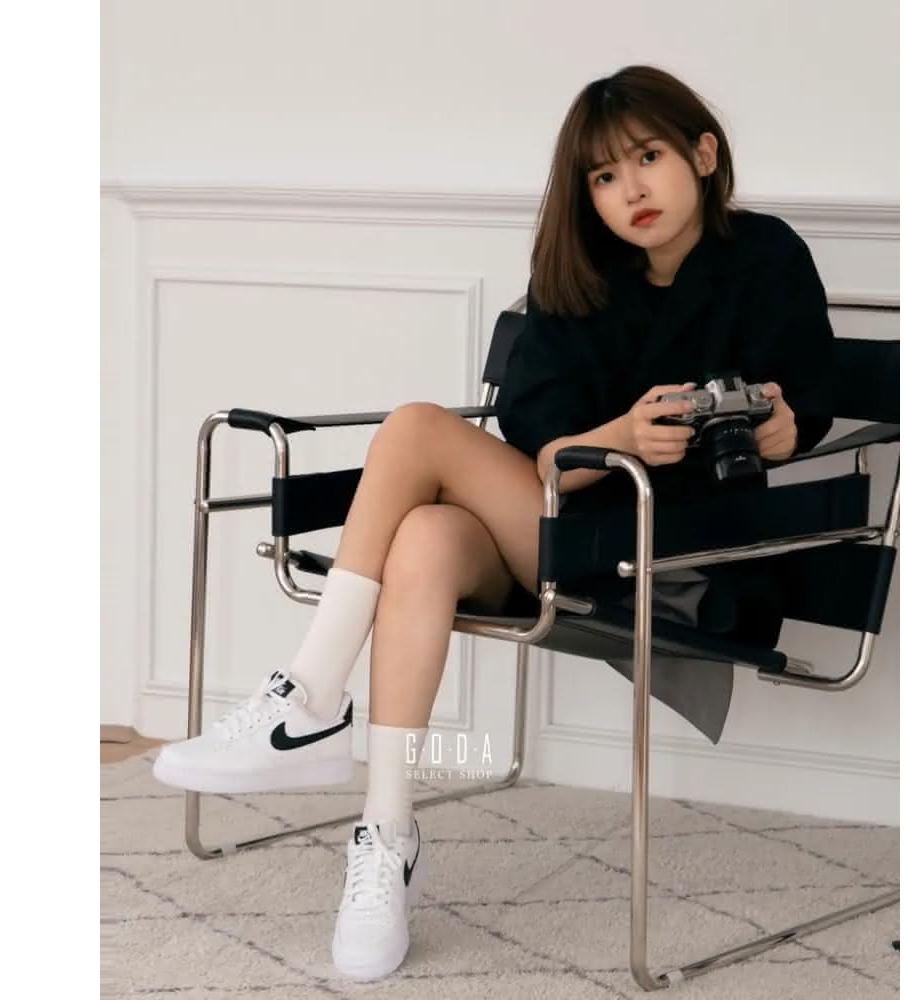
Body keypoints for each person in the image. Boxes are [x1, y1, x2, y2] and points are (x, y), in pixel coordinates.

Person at [151, 63, 834, 982]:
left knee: (415, 429)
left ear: (703, 155)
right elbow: (543, 451)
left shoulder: (768, 256)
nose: (630, 190)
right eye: (604, 175)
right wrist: (621, 436)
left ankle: (308, 700)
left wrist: (787, 429)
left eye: (648, 157)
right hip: (561, 532)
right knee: (425, 537)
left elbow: (804, 408)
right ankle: (385, 832)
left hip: (676, 559)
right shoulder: (580, 276)